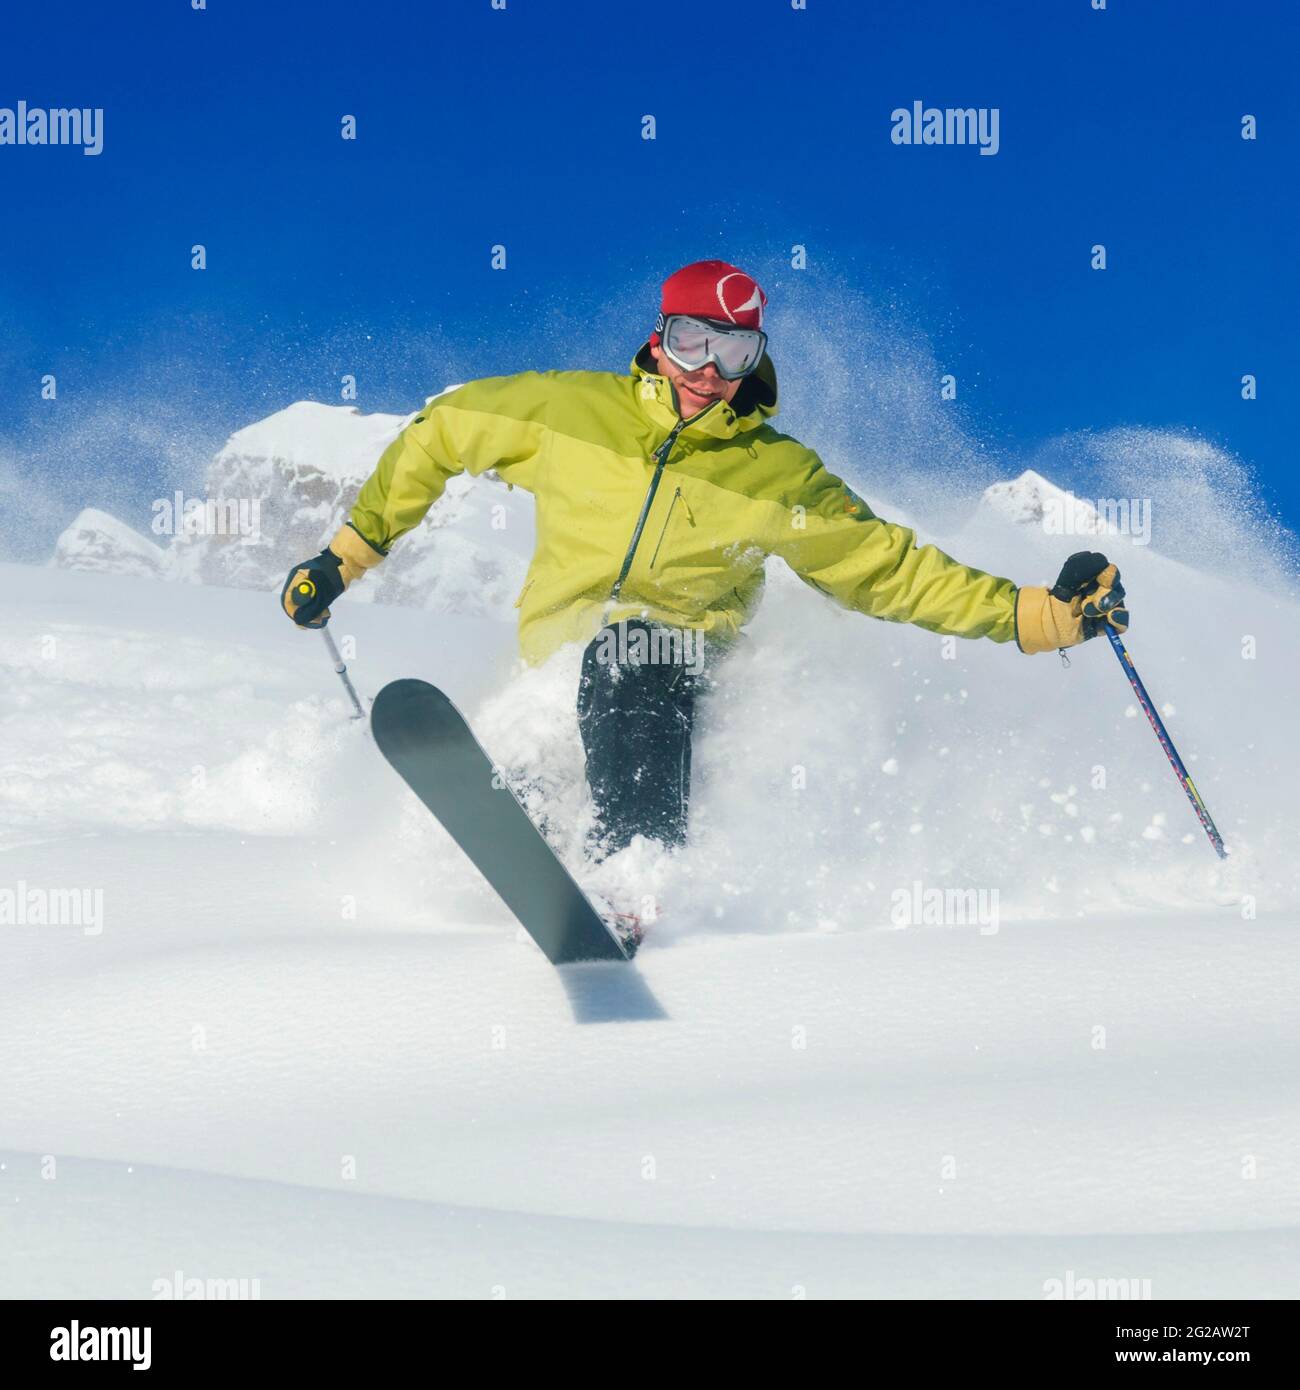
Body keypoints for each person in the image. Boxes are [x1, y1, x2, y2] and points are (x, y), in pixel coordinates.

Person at [282, 259, 1128, 858]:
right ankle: (539, 831)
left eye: (735, 354)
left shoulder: (773, 472)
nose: (709, 372)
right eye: (693, 341)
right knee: (541, 745)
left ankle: (639, 868)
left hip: (684, 671)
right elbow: (441, 432)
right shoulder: (566, 412)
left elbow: (885, 567)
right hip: (557, 662)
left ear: (755, 362)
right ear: (658, 338)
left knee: (632, 653)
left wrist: (1038, 615)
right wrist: (346, 557)